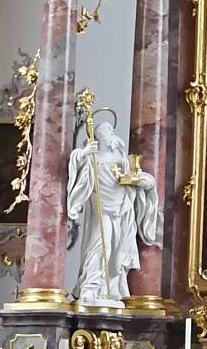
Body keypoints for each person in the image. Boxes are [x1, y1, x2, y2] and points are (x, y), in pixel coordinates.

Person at [67, 105, 160, 308]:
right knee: (100, 244)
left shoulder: (121, 159)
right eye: (106, 131)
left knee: (117, 249)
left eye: (111, 130)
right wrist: (83, 154)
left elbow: (133, 177)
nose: (111, 134)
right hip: (101, 207)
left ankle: (111, 288)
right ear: (98, 136)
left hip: (121, 210)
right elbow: (79, 175)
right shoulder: (93, 157)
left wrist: (144, 182)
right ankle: (91, 286)